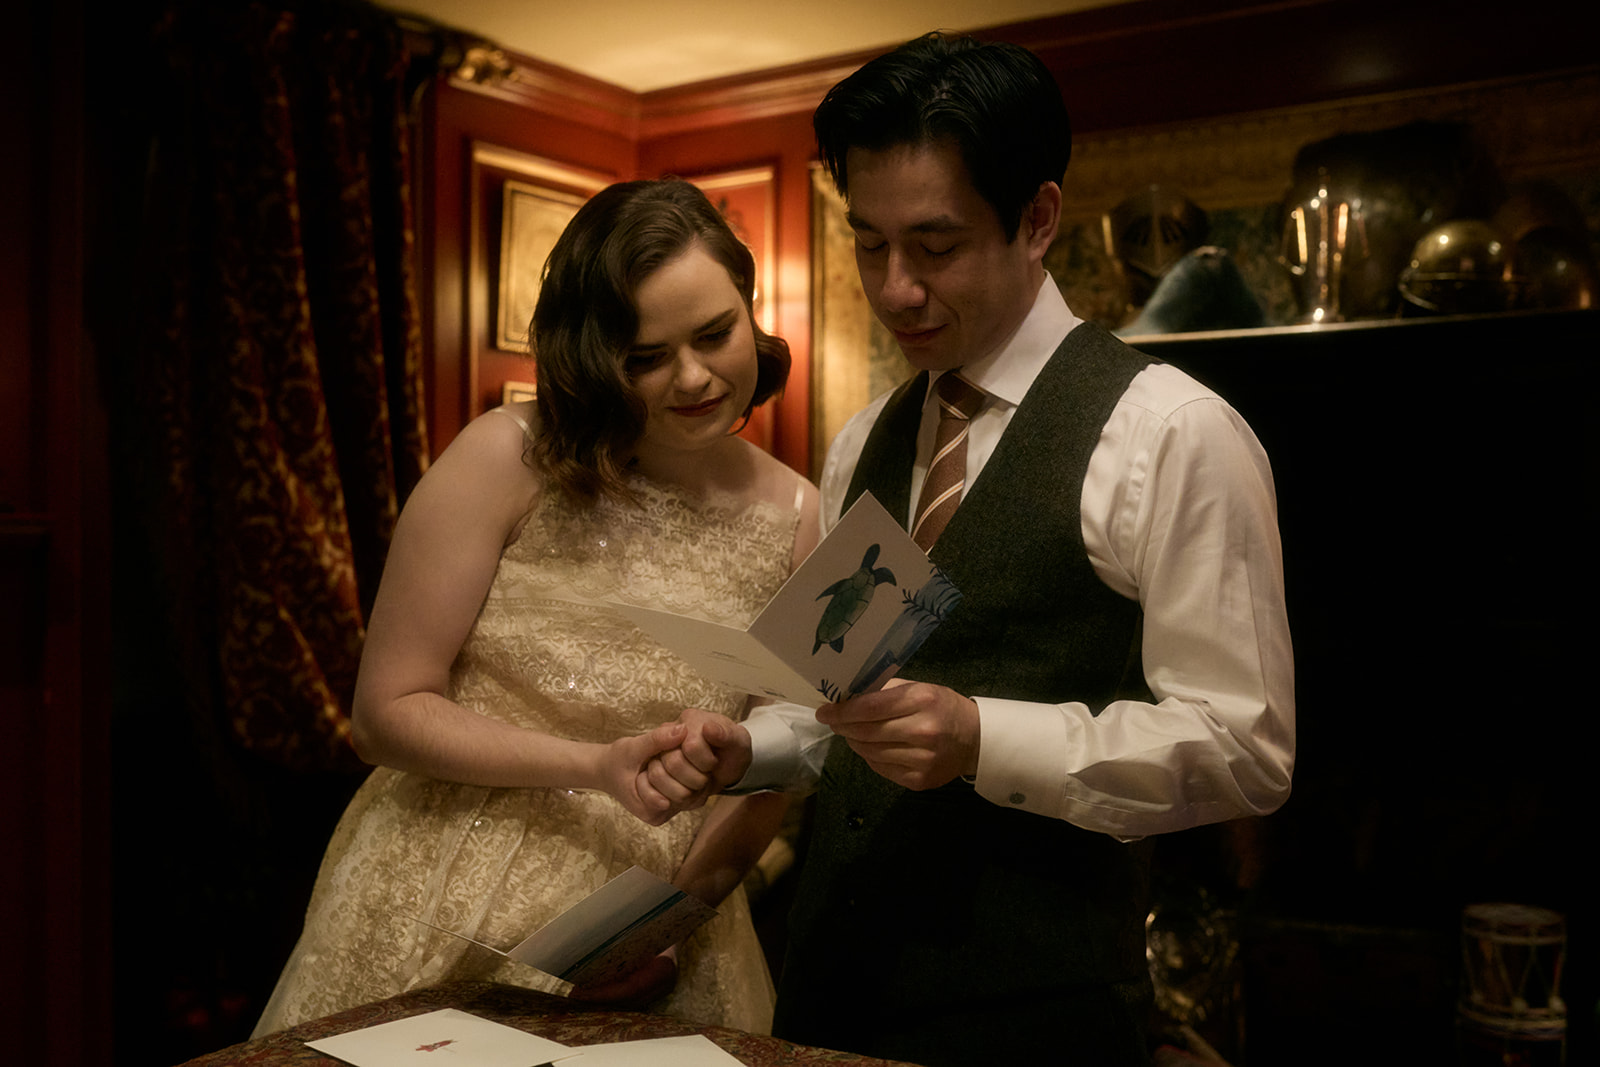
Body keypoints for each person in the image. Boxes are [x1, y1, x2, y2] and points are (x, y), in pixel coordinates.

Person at [641, 32, 1295, 1066]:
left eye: (934, 246)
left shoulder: (1172, 433)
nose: (893, 287)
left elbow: (1244, 749)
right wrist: (750, 749)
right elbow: (835, 697)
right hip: (824, 987)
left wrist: (983, 738)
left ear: (1037, 219)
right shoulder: (867, 435)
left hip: (1036, 1012)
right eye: (868, 242)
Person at [252, 178, 820, 1037]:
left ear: (750, 307)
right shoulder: (505, 456)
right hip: (442, 891)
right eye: (645, 357)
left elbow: (781, 764)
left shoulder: (800, 516)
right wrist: (594, 764)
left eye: (715, 334)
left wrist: (667, 925)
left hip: (655, 923)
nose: (695, 377)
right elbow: (386, 711)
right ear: (593, 357)